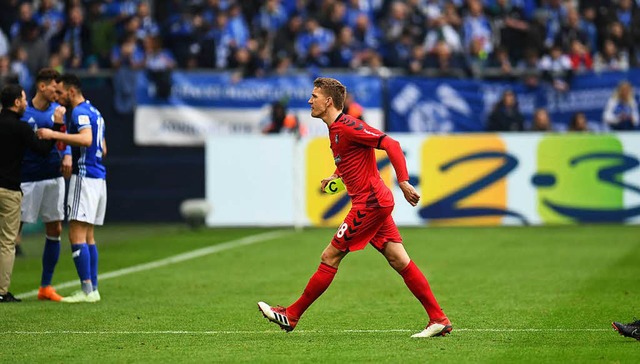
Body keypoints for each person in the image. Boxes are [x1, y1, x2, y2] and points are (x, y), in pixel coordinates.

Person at [258, 77, 451, 338]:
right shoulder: (335, 130)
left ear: (328, 101)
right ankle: (438, 318)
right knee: (399, 258)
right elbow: (352, 157)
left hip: (370, 203)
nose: (309, 100)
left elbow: (390, 144)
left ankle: (291, 315)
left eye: (314, 96)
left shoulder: (347, 125)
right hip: (374, 202)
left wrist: (403, 182)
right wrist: (336, 176)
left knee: (330, 256)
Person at [37, 73, 107, 303]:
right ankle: (93, 288)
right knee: (88, 237)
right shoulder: (95, 112)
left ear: (71, 91)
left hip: (84, 176)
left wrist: (53, 133)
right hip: (98, 177)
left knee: (76, 234)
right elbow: (102, 148)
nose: (58, 97)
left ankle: (86, 290)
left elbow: (87, 140)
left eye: (61, 93)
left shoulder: (78, 112)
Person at [0, 83, 63, 303]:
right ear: (17, 102)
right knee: (7, 242)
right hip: (9, 189)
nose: (26, 103)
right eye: (23, 99)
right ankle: (1, 291)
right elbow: (43, 150)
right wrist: (55, 128)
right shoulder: (21, 127)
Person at [18, 68, 71, 302]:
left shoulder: (58, 112)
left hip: (52, 175)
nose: (57, 93)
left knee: (55, 228)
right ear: (42, 86)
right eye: (54, 88)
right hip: (26, 177)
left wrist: (68, 154)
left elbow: (65, 138)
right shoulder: (23, 112)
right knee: (12, 231)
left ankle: (45, 286)